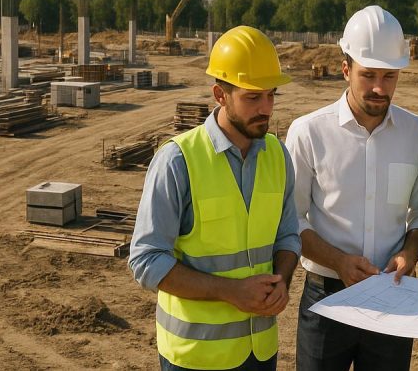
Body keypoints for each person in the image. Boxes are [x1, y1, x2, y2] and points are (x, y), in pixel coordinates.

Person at [129, 25, 301, 371]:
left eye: (271, 95)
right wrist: (231, 292)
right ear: (219, 94)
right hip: (195, 357)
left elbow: (288, 237)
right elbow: (146, 261)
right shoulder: (178, 161)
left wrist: (282, 279)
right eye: (253, 97)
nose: (266, 108)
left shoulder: (278, 157)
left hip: (260, 352)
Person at [286, 5, 418, 370]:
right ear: (346, 68)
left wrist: (409, 256)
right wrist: (339, 262)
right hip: (327, 296)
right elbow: (291, 219)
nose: (380, 88)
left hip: (392, 296)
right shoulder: (308, 133)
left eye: (389, 76)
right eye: (369, 75)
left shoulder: (417, 134)